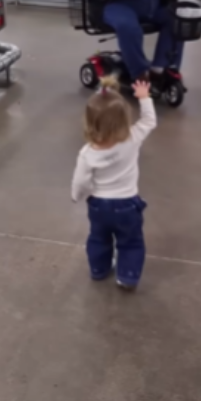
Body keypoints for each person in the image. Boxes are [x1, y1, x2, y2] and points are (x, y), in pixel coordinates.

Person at [71, 77, 157, 290]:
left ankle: (99, 270)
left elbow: (80, 180)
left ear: (90, 122)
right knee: (131, 242)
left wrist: (77, 195)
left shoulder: (87, 153)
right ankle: (127, 276)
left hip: (98, 205)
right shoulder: (133, 138)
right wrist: (144, 98)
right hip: (128, 205)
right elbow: (149, 121)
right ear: (124, 118)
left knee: (98, 239)